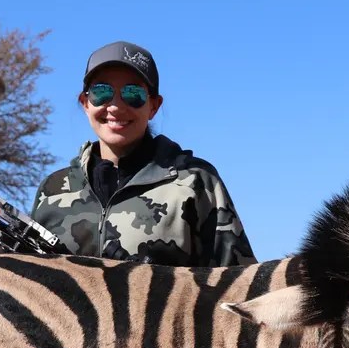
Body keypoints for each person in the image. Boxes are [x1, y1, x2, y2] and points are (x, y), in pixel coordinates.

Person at [31, 41, 256, 267]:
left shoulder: (196, 181)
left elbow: (238, 280)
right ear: (85, 103)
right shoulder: (52, 190)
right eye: (102, 92)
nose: (116, 107)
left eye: (133, 93)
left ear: (154, 106)